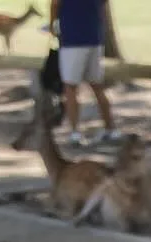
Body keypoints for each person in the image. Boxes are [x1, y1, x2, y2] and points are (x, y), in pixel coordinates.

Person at [48, 0, 117, 145]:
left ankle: (75, 132)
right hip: (94, 38)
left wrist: (53, 25)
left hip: (72, 39)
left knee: (70, 87)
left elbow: (55, 4)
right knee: (97, 86)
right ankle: (111, 129)